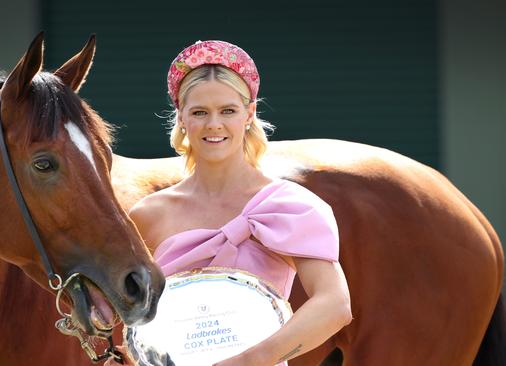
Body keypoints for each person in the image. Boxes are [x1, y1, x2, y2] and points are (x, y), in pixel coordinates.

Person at [106, 40, 352, 366]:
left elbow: (335, 305)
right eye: (199, 113)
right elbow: (141, 328)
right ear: (181, 117)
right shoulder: (148, 215)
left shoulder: (288, 206)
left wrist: (251, 360)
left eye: (227, 111)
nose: (214, 125)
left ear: (249, 114)